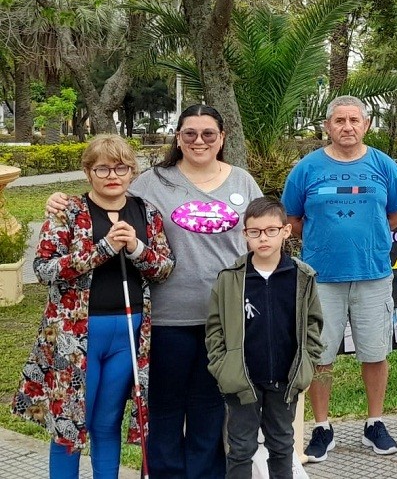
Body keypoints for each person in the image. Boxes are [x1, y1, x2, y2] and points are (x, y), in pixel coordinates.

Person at [46, 105, 264, 479]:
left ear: (222, 138)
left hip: (223, 318)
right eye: (190, 133)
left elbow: (263, 234)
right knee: (161, 409)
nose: (199, 141)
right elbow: (103, 195)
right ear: (177, 137)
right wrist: (59, 200)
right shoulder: (153, 182)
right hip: (164, 319)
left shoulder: (241, 181)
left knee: (209, 408)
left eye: (208, 133)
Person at [15, 135, 174, 479]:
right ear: (88, 172)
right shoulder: (67, 210)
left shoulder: (145, 212)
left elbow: (164, 267)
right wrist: (101, 250)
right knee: (71, 421)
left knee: (107, 420)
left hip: (129, 331)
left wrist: (134, 247)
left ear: (132, 171)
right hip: (75, 334)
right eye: (102, 168)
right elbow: (44, 269)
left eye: (120, 167)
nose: (112, 175)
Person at [281, 95, 397, 460]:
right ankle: (322, 428)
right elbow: (293, 220)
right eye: (339, 121)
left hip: (373, 275)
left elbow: (395, 215)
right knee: (320, 355)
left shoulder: (384, 166)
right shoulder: (306, 169)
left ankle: (374, 423)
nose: (347, 127)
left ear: (366, 125)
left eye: (354, 120)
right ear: (327, 126)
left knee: (375, 351)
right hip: (321, 279)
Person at [206, 197, 325, 479]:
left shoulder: (302, 277)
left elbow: (313, 324)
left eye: (271, 230)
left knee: (282, 445)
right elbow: (215, 327)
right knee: (240, 447)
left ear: (285, 231)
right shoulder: (231, 279)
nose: (263, 238)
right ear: (245, 234)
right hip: (242, 380)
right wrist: (224, 368)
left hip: (285, 381)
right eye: (255, 232)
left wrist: (305, 365)